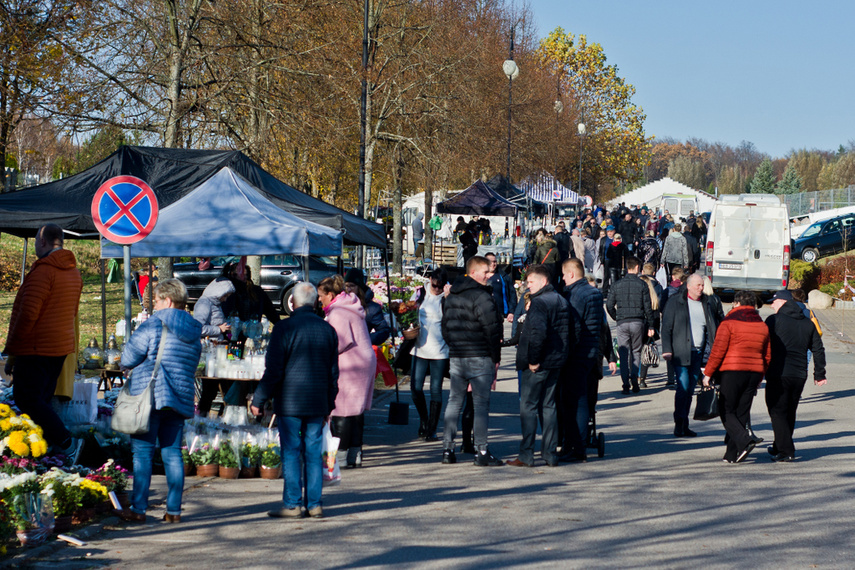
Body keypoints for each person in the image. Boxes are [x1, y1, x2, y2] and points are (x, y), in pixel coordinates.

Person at [251, 282, 339, 519]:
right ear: (314, 302)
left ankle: (292, 504)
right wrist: (330, 403)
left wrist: (258, 399)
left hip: (290, 400)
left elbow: (274, 370)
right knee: (312, 452)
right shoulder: (327, 330)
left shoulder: (284, 328)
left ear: (293, 302)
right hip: (317, 400)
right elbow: (333, 373)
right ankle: (315, 504)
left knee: (291, 452)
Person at [118, 279, 202, 523]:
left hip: (150, 397)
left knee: (142, 454)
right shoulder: (194, 329)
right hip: (179, 397)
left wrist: (126, 365)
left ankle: (138, 510)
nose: (154, 305)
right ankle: (173, 511)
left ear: (167, 300)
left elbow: (129, 355)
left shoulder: (153, 324)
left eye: (155, 300)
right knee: (172, 453)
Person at [4, 224, 83, 458]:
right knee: (42, 400)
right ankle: (46, 451)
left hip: (36, 347)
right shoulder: (73, 271)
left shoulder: (43, 272)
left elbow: (27, 315)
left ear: (42, 240)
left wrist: (12, 352)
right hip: (59, 347)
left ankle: (66, 443)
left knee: (26, 398)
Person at [440, 256, 503, 466]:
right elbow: (492, 329)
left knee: (454, 402)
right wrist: (495, 357)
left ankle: (447, 449)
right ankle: (482, 451)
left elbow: (445, 328)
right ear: (474, 272)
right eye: (485, 272)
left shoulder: (452, 296)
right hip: (479, 355)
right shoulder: (482, 297)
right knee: (481, 405)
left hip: (458, 356)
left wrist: (455, 347)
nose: (489, 275)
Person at [507, 266, 570, 468]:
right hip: (555, 361)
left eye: (531, 282)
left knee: (528, 406)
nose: (527, 286)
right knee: (549, 406)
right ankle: (550, 454)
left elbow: (537, 334)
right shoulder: (560, 299)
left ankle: (526, 454)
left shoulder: (539, 303)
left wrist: (533, 360)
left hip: (539, 362)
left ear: (543, 282)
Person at [701, 291, 771, 463]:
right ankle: (732, 453)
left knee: (726, 409)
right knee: (741, 411)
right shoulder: (762, 325)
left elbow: (718, 350)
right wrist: (761, 375)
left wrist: (708, 373)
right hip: (754, 373)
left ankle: (744, 440)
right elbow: (767, 355)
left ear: (736, 304)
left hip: (732, 371)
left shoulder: (729, 322)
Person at [319, 275, 376, 468]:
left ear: (330, 294)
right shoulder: (350, 305)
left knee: (343, 410)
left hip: (351, 364)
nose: (319, 300)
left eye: (321, 295)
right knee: (356, 411)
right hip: (362, 361)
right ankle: (355, 453)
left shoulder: (338, 312)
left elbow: (340, 342)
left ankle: (341, 458)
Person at [764, 290, 826, 462]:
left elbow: (762, 344)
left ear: (783, 302)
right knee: (789, 411)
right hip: (799, 374)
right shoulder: (808, 323)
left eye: (774, 302)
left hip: (779, 372)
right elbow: (818, 349)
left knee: (777, 411)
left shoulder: (773, 320)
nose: (771, 305)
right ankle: (779, 445)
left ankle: (786, 450)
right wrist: (819, 373)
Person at [661, 273, 720, 437]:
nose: (701, 288)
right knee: (683, 388)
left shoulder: (707, 303)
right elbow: (666, 327)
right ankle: (679, 423)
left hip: (698, 354)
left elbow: (712, 326)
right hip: (680, 353)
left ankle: (684, 423)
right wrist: (667, 349)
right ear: (688, 286)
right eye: (698, 285)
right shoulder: (675, 302)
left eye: (702, 285)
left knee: (690, 390)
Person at [560, 258, 603, 462]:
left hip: (577, 353)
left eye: (563, 274)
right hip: (591, 350)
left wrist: (565, 350)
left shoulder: (576, 294)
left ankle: (576, 446)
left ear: (570, 274)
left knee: (574, 401)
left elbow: (573, 326)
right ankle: (578, 445)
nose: (562, 278)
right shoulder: (593, 292)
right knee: (582, 399)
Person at [409, 268, 450, 441]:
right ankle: (424, 419)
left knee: (435, 390)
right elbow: (408, 313)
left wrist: (450, 297)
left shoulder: (448, 298)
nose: (437, 289)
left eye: (441, 286)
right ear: (430, 280)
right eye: (435, 285)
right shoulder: (420, 293)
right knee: (416, 387)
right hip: (419, 348)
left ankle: (432, 429)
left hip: (440, 350)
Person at [606, 257, 654, 394]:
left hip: (622, 322)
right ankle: (634, 378)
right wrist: (650, 325)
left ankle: (625, 384)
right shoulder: (642, 284)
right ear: (638, 267)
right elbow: (647, 307)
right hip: (637, 321)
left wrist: (617, 317)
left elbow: (609, 305)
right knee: (636, 352)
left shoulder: (616, 284)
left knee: (623, 353)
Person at [194, 278, 235, 417]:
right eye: (225, 295)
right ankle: (202, 416)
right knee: (209, 389)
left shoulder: (215, 304)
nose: (225, 299)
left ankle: (218, 415)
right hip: (210, 353)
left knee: (222, 386)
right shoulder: (204, 303)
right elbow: (198, 328)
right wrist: (219, 329)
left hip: (219, 351)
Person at [344, 268, 391, 346]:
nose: (348, 289)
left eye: (352, 286)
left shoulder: (372, 308)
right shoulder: (340, 303)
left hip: (359, 352)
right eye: (346, 286)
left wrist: (364, 339)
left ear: (359, 287)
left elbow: (384, 331)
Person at [638, 263, 663, 388]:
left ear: (642, 271)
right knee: (646, 350)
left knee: (637, 350)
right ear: (654, 273)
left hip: (639, 321)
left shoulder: (639, 284)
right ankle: (642, 378)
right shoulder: (658, 287)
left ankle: (636, 375)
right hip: (652, 322)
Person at [485, 252, 518, 322]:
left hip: (502, 314)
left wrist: (511, 312)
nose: (493, 264)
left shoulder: (503, 277)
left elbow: (512, 295)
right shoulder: (480, 277)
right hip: (485, 314)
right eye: (490, 262)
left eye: (494, 262)